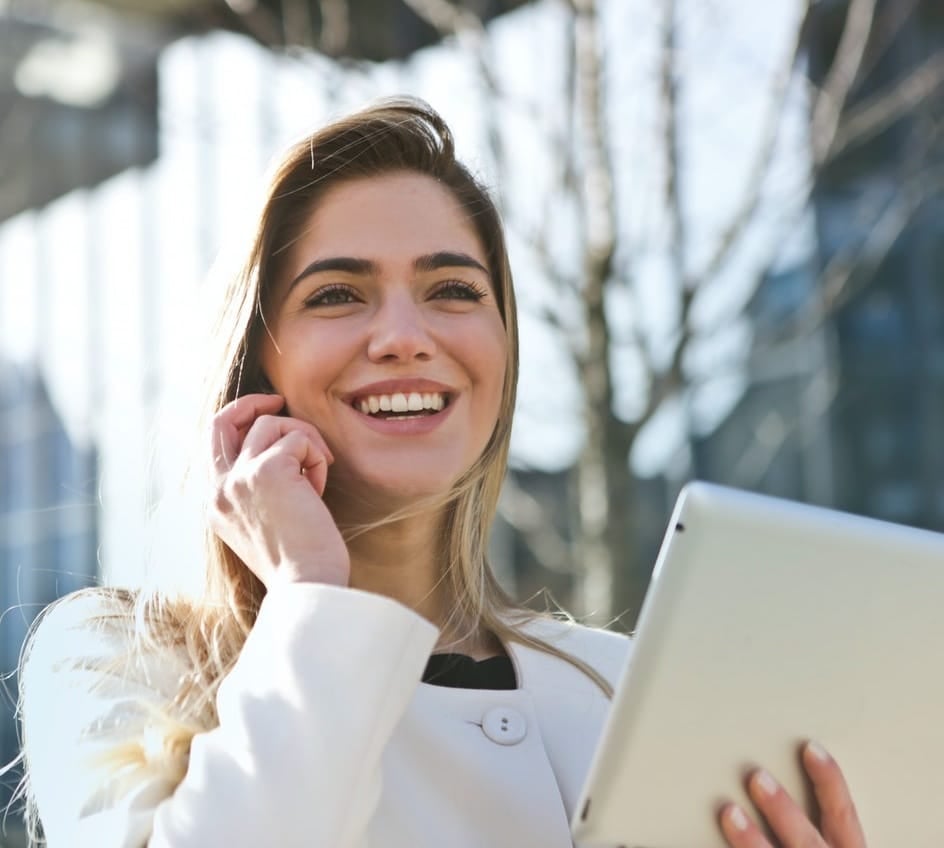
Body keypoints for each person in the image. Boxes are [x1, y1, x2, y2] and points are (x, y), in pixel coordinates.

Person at [14, 99, 867, 847]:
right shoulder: (111, 660)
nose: (404, 335)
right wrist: (314, 595)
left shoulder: (620, 685)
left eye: (453, 290)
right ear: (255, 366)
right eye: (338, 294)